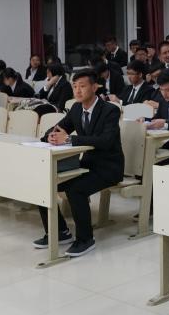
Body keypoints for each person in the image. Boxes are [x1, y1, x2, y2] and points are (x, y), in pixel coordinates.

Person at [35, 70, 123, 257]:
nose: (77, 90)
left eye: (82, 86)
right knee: (43, 184)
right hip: (87, 165)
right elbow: (59, 128)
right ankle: (59, 232)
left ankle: (85, 239)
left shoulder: (110, 110)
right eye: (75, 86)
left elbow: (106, 141)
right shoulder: (76, 108)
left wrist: (69, 139)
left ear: (95, 87)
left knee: (76, 189)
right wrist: (50, 136)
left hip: (109, 167)